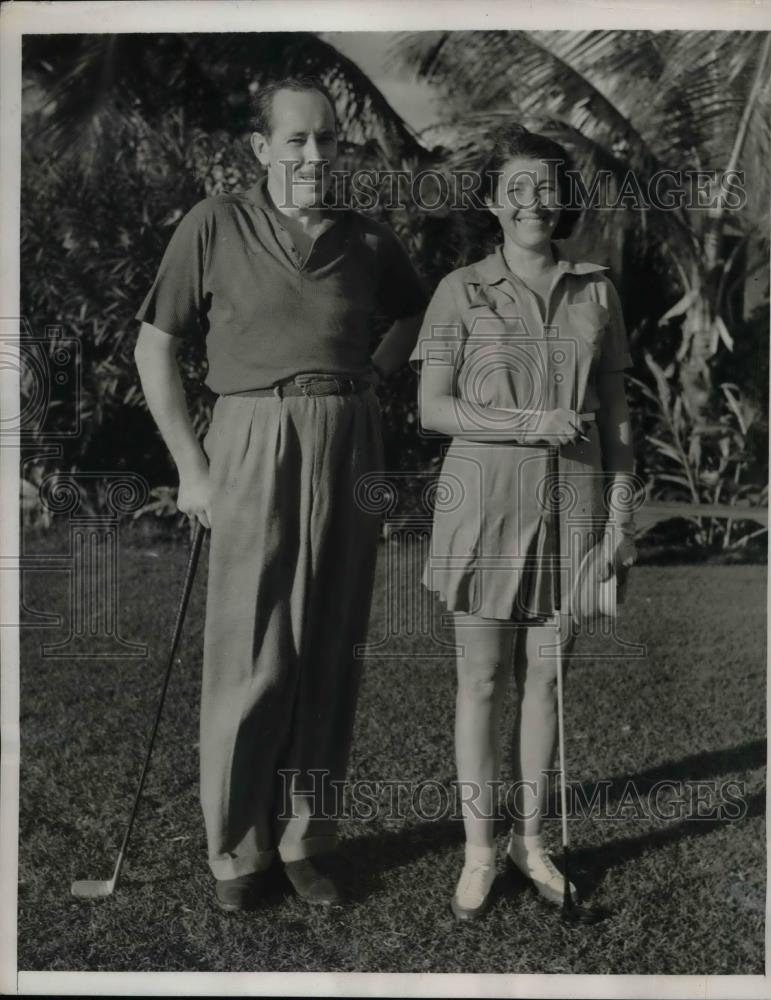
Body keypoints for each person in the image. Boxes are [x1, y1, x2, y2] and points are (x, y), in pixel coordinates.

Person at [134, 77, 426, 911]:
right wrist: (192, 469)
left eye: (326, 139)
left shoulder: (368, 238)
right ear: (261, 148)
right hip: (252, 436)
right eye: (294, 140)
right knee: (250, 650)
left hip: (347, 435)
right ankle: (236, 849)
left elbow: (412, 312)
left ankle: (305, 838)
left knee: (330, 646)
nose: (311, 155)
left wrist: (375, 374)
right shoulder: (215, 222)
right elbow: (155, 347)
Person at [411, 123, 637, 920]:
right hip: (482, 507)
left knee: (545, 680)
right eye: (516, 188)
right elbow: (430, 406)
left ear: (561, 198)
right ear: (491, 203)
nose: (533, 200)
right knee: (479, 681)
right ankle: (478, 851)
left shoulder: (597, 289)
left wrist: (618, 520)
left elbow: (613, 415)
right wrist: (526, 423)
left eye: (546, 185)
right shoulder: (457, 289)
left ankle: (529, 843)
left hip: (574, 511)